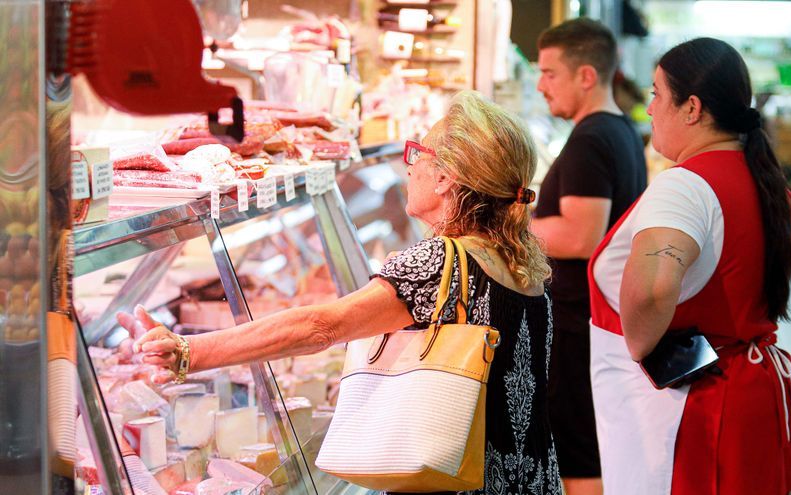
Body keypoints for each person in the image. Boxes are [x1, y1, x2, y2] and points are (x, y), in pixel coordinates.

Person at [118, 91, 564, 495]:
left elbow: (320, 327)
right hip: (534, 480)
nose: (410, 166)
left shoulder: (440, 261)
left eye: (417, 153)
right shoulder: (523, 264)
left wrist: (186, 352)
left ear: (446, 178)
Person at [588, 38, 791, 494]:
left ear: (691, 108)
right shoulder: (764, 182)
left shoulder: (685, 187)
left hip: (690, 410)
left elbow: (652, 291)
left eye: (655, 94)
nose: (649, 109)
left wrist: (641, 347)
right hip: (747, 395)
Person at [531, 17, 647, 495]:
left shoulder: (591, 139)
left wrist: (500, 228)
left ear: (586, 75)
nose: (539, 85)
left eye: (548, 73)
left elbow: (580, 236)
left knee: (580, 457)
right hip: (593, 322)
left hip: (578, 326)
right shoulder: (617, 131)